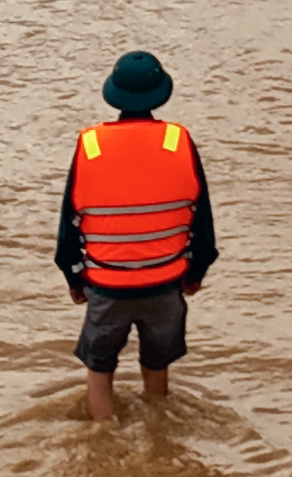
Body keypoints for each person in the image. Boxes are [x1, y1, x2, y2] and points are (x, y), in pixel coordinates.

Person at [56, 50, 218, 423]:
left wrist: (74, 278)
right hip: (165, 282)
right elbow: (203, 226)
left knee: (99, 371)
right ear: (161, 94)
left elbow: (69, 227)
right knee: (157, 368)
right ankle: (158, 434)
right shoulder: (178, 142)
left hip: (106, 283)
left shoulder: (90, 145)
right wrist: (194, 275)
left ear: (114, 94)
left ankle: (103, 437)